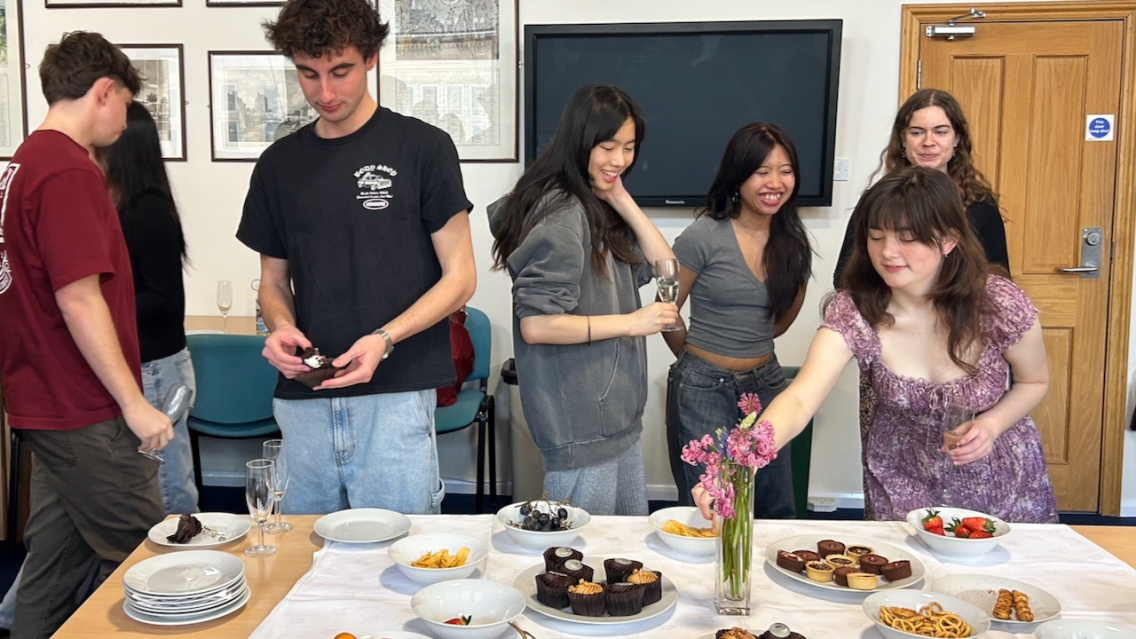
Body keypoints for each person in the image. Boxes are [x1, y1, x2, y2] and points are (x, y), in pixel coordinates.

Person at [699, 167, 1057, 523]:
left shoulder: (998, 302)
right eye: (876, 236)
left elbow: (1034, 382)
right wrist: (739, 462)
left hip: (1000, 483)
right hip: (904, 488)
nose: (888, 252)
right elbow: (799, 399)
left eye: (907, 238)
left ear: (949, 240)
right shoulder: (856, 310)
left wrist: (991, 424)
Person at [237, 0, 476, 515]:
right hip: (304, 396)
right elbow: (273, 283)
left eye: (340, 71)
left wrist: (384, 339)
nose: (324, 92)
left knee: (400, 547)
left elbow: (460, 277)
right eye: (309, 73)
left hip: (396, 394)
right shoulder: (278, 165)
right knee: (301, 552)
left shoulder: (424, 148)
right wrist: (279, 328)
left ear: (370, 58)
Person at [0, 31, 170, 639]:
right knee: (156, 561)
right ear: (105, 91)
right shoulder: (67, 171)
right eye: (126, 102)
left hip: (47, 405)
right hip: (85, 410)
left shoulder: (21, 164)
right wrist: (133, 403)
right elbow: (77, 298)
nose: (126, 120)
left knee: (53, 568)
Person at [488, 84, 678, 516]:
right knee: (579, 549)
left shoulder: (597, 202)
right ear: (579, 141)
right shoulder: (561, 214)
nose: (620, 159)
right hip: (582, 424)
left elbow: (666, 267)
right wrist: (632, 322)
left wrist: (621, 197)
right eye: (608, 147)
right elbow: (537, 325)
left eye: (629, 147)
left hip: (615, 417)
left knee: (621, 545)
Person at [664, 123, 811, 518]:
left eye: (785, 171)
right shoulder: (701, 236)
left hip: (767, 384)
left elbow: (781, 319)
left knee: (774, 507)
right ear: (739, 176)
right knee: (710, 507)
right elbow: (666, 309)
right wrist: (696, 362)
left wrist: (748, 345)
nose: (775, 182)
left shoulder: (793, 242)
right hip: (702, 389)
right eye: (762, 171)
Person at [102, 102, 198, 515]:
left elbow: (165, 301)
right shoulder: (117, 206)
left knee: (165, 487)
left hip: (155, 368)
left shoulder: (147, 209)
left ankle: (186, 551)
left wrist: (94, 308)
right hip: (138, 366)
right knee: (143, 485)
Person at [833, 88, 1009, 286]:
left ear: (957, 139)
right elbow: (844, 278)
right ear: (903, 139)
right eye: (917, 133)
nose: (928, 142)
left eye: (940, 132)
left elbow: (999, 279)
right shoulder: (877, 200)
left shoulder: (980, 204)